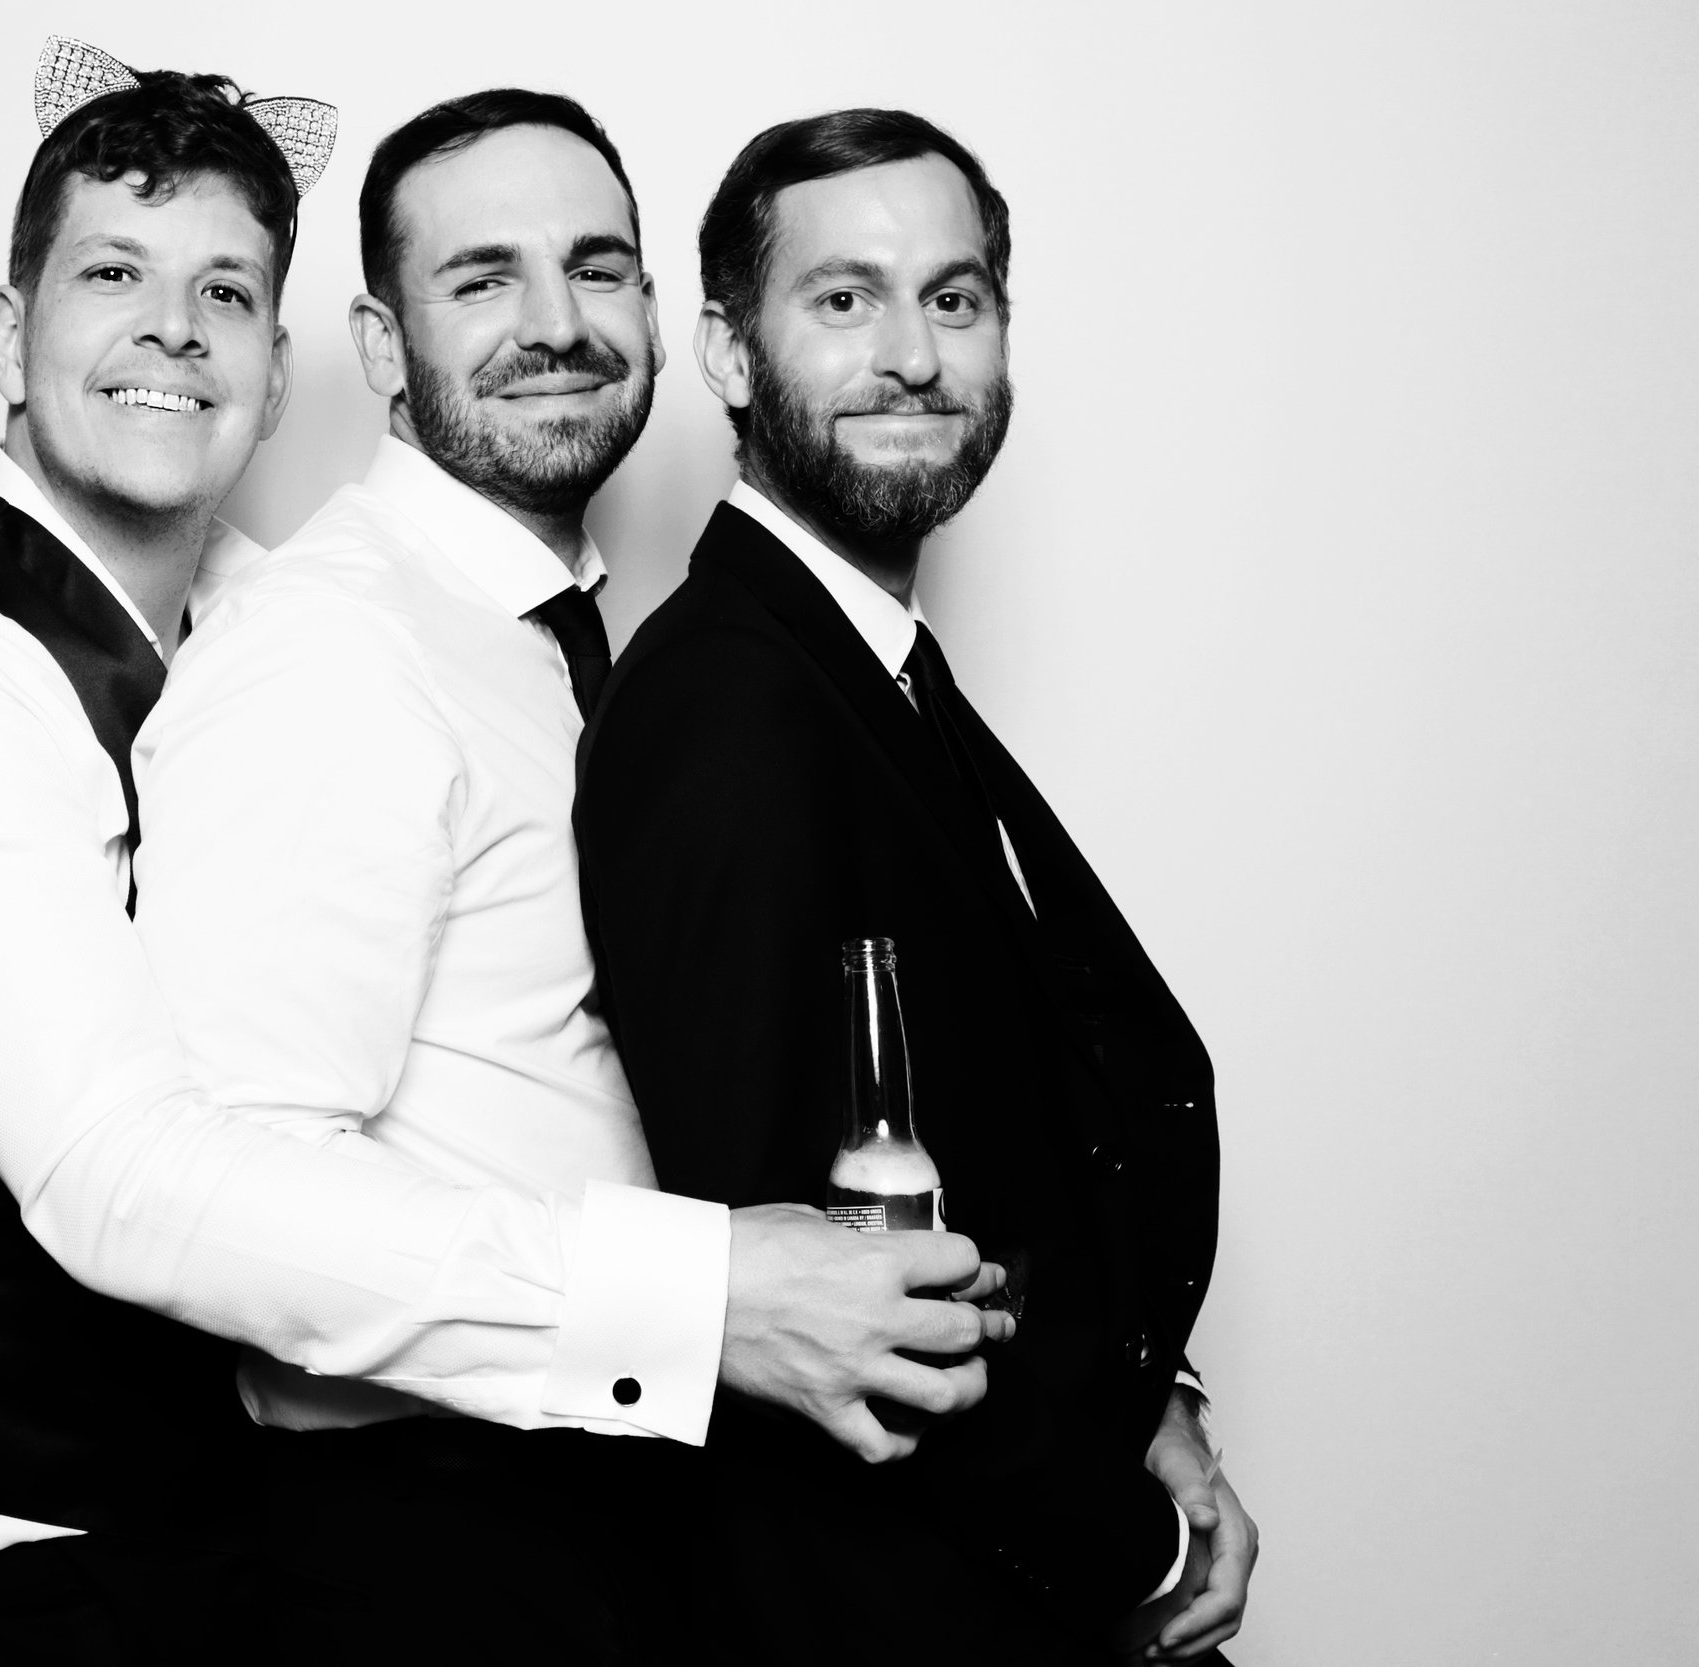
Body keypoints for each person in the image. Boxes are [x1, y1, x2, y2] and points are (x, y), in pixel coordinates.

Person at [0, 51, 999, 1663]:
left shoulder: (276, 608)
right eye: (112, 274)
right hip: (32, 1567)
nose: (172, 330)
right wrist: (701, 1301)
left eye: (224, 289)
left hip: (247, 1535)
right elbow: (126, 1183)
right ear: (9, 334)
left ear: (276, 367)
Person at [130, 89, 1006, 1663]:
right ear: (383, 347)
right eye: (482, 281)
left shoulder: (606, 646)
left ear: (664, 323)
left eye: (597, 271)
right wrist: (701, 1300)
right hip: (435, 1546)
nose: (557, 325)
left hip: (653, 1515)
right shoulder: (329, 654)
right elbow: (215, 1202)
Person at [572, 109, 1260, 1663]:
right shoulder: (726, 706)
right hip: (901, 1607)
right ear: (731, 356)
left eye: (954, 299)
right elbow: (806, 1285)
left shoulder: (869, 670)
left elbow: (1002, 1145)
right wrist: (1131, 1545)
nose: (913, 355)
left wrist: (1151, 1400)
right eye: (844, 299)